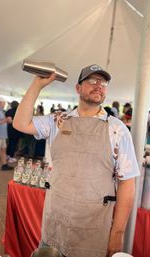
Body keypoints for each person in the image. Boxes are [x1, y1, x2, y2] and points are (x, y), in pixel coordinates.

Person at [13, 64, 140, 257]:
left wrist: (117, 232)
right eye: (92, 80)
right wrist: (37, 85)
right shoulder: (59, 119)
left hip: (93, 231)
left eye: (103, 82)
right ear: (78, 88)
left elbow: (127, 183)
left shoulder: (117, 129)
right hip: (55, 224)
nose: (99, 85)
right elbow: (20, 123)